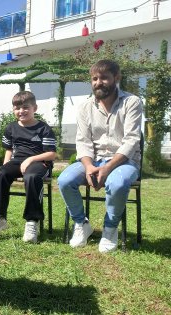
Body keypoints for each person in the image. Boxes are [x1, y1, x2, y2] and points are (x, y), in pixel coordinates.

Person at [58, 59, 142, 253]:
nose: (98, 82)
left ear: (117, 78)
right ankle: (81, 224)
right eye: (94, 78)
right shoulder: (85, 107)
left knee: (118, 183)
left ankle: (110, 228)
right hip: (93, 159)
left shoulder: (131, 102)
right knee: (64, 180)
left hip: (125, 161)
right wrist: (89, 167)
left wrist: (107, 168)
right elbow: (83, 141)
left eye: (104, 78)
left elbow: (131, 141)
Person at [0, 91, 57, 243]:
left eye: (25, 107)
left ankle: (32, 222)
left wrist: (30, 159)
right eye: (17, 108)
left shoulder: (44, 129)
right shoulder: (10, 128)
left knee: (31, 177)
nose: (21, 111)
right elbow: (9, 150)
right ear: (13, 110)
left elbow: (51, 154)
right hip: (17, 162)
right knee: (0, 175)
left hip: (40, 163)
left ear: (34, 108)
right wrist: (5, 167)